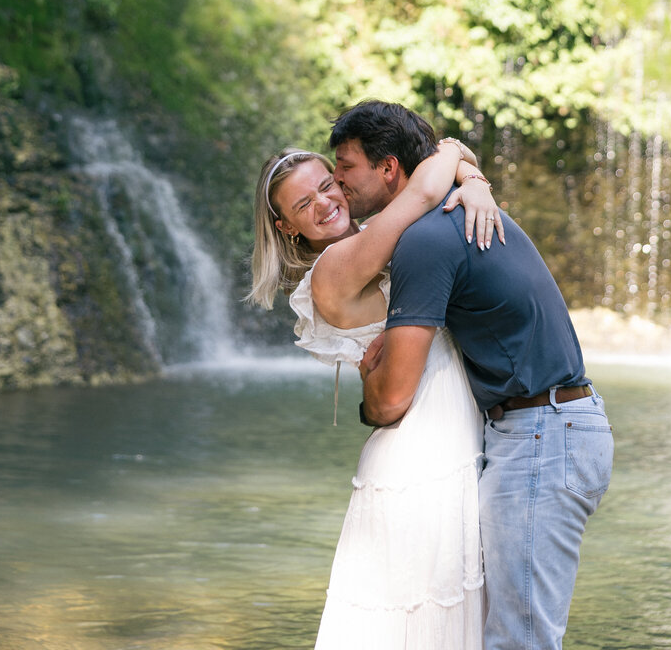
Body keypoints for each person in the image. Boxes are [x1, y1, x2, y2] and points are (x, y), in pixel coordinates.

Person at [330, 101, 614, 650]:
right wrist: (470, 172)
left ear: (389, 169)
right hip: (552, 428)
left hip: (541, 437)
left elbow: (392, 399)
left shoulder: (425, 241)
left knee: (521, 640)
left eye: (345, 166)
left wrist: (368, 392)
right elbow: (450, 151)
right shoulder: (453, 217)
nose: (338, 180)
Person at [249, 132, 502, 649]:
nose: (325, 203)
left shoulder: (382, 246)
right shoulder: (335, 269)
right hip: (418, 456)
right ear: (286, 226)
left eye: (328, 185)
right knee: (419, 614)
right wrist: (453, 151)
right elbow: (423, 193)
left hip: (444, 437)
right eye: (304, 203)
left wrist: (474, 182)